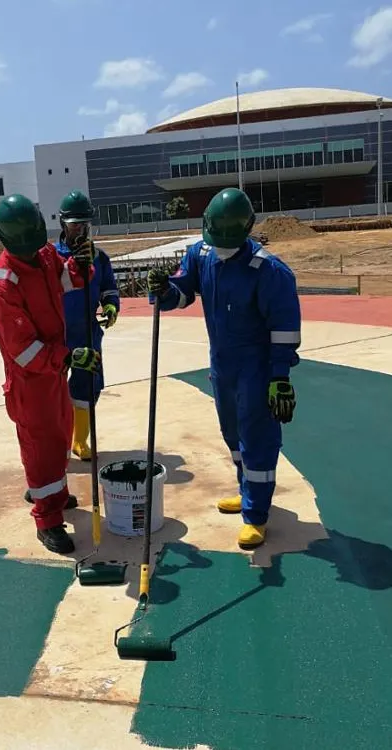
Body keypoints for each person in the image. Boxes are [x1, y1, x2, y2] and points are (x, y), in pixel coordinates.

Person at [146, 188, 301, 550]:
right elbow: (182, 292)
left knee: (258, 439)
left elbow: (284, 329)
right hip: (222, 364)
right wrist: (164, 289)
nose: (220, 248)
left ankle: (256, 515)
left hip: (257, 368)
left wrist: (280, 378)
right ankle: (248, 490)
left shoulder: (269, 271)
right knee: (232, 435)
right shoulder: (202, 254)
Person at [0, 193, 100, 555]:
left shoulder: (44, 255)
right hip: (30, 381)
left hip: (52, 373)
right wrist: (68, 356)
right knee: (42, 447)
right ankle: (46, 520)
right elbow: (25, 351)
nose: (35, 250)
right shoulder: (2, 287)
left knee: (60, 434)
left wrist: (83, 265)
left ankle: (51, 489)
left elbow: (70, 282)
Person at [54, 189, 121, 461]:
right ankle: (56, 442)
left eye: (84, 224)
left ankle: (79, 440)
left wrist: (111, 306)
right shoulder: (50, 258)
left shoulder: (99, 258)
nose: (80, 230)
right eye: (74, 225)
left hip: (87, 333)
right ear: (63, 224)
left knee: (89, 383)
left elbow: (108, 288)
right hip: (57, 334)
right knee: (51, 389)